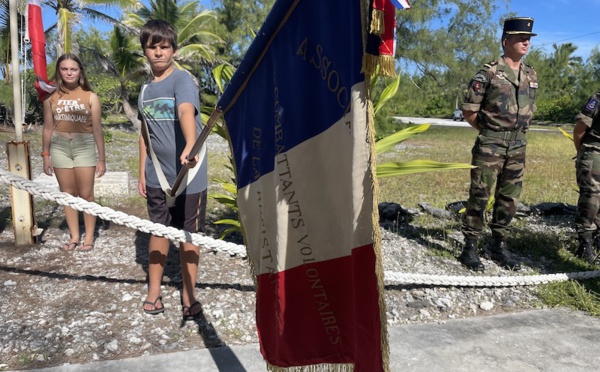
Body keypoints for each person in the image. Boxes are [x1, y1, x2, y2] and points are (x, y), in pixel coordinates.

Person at [137, 20, 208, 319]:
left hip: (190, 174)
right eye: (152, 47)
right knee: (158, 231)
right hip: (158, 176)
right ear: (145, 51)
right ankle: (154, 290)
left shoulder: (182, 81)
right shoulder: (143, 91)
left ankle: (188, 292)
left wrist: (190, 143)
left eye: (164, 47)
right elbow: (145, 134)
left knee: (189, 235)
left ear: (174, 51)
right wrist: (142, 172)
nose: (158, 53)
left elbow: (185, 110)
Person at [458, 17, 538, 271]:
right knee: (480, 195)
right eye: (520, 38)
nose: (526, 41)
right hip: (491, 144)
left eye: (528, 38)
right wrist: (491, 134)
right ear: (506, 41)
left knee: (509, 198)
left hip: (518, 146)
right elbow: (470, 111)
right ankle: (470, 247)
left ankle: (499, 244)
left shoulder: (530, 74)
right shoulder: (489, 72)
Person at [42, 53, 106, 252]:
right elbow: (47, 128)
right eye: (65, 69)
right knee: (67, 194)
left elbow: (97, 129)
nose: (69, 72)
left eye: (73, 69)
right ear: (59, 72)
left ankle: (89, 237)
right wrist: (46, 155)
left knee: (86, 194)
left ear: (80, 72)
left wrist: (101, 159)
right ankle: (74, 236)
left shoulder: (90, 96)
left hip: (84, 146)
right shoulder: (51, 97)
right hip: (60, 146)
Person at [572, 93, 600, 264]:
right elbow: (579, 130)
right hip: (595, 152)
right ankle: (584, 245)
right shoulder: (598, 98)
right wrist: (584, 153)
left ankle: (597, 239)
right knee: (591, 199)